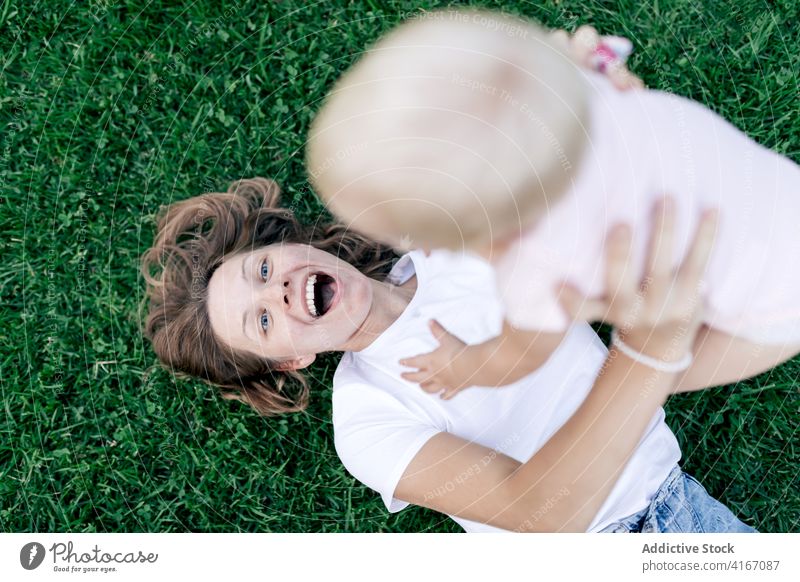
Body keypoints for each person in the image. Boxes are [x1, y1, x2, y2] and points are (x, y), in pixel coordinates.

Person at [140, 176, 754, 533]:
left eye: (264, 269)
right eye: (264, 320)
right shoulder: (367, 421)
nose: (276, 288)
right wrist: (646, 357)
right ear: (289, 363)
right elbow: (533, 509)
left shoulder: (463, 249)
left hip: (678, 505)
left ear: (295, 248)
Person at [305, 9, 800, 399]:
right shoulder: (586, 86)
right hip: (781, 195)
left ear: (487, 237)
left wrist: (465, 365)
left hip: (776, 302)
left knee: (654, 374)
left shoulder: (539, 263)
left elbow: (518, 355)